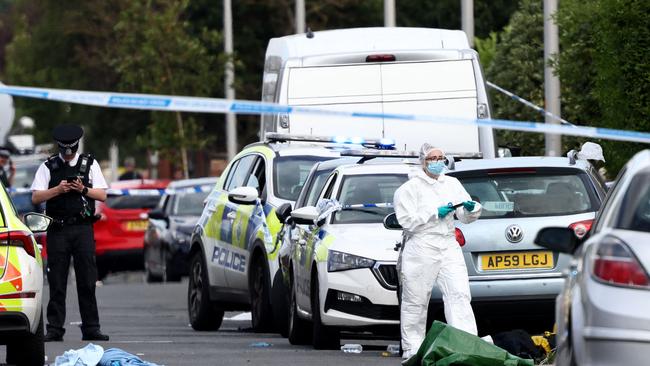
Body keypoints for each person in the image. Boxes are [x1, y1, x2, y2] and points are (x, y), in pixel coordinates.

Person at [393, 143, 482, 362]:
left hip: (448, 242)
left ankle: (466, 346)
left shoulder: (452, 183)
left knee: (459, 294)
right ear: (423, 161)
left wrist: (471, 209)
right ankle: (412, 350)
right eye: (433, 158)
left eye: (441, 157)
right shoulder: (409, 189)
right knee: (416, 299)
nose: (438, 162)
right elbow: (406, 221)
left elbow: (464, 214)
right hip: (422, 245)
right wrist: (434, 213)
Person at [31, 124, 110, 342]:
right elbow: (36, 197)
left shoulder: (89, 164)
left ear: (75, 148)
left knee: (87, 279)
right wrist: (58, 190)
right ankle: (55, 329)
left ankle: (91, 327)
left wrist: (82, 189)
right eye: (65, 152)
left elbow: (102, 195)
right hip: (58, 229)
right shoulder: (48, 167)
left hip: (83, 228)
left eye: (71, 152)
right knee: (57, 281)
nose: (68, 156)